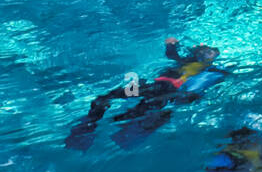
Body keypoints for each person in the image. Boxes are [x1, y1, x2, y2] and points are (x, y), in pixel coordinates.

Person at [65, 37, 227, 150]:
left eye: (210, 52)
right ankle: (88, 126)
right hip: (152, 87)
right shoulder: (186, 61)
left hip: (167, 92)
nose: (206, 53)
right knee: (104, 98)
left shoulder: (209, 70)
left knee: (138, 112)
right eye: (204, 50)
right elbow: (171, 54)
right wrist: (170, 44)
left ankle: (114, 132)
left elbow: (200, 89)